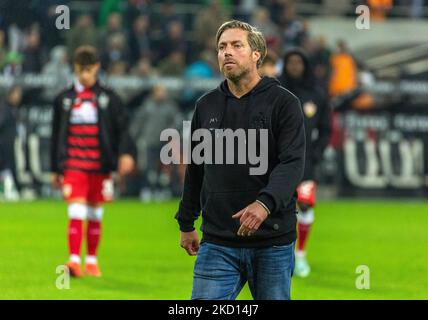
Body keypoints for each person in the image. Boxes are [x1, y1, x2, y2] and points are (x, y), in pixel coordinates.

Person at [175, 20, 305, 300]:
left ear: (257, 54)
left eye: (236, 45)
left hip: (272, 240)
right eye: (222, 47)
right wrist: (186, 222)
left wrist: (264, 203)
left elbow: (292, 163)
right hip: (218, 241)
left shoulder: (284, 103)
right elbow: (197, 169)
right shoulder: (206, 105)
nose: (227, 52)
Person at [50, 46, 136, 277]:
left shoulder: (109, 98)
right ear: (74, 69)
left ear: (97, 68)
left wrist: (127, 153)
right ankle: (74, 261)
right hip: (74, 165)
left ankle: (91, 261)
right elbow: (56, 134)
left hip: (101, 165)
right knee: (76, 211)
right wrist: (55, 168)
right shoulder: (64, 99)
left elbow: (123, 129)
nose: (85, 75)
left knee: (95, 214)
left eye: (88, 70)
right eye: (80, 70)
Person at [279, 49, 331, 278]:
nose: (294, 66)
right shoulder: (276, 91)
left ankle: (300, 256)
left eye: (299, 62)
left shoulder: (317, 94)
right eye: (291, 62)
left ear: (305, 65)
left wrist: (317, 152)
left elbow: (327, 128)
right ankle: (281, 255)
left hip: (306, 163)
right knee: (278, 207)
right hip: (277, 161)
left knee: (306, 204)